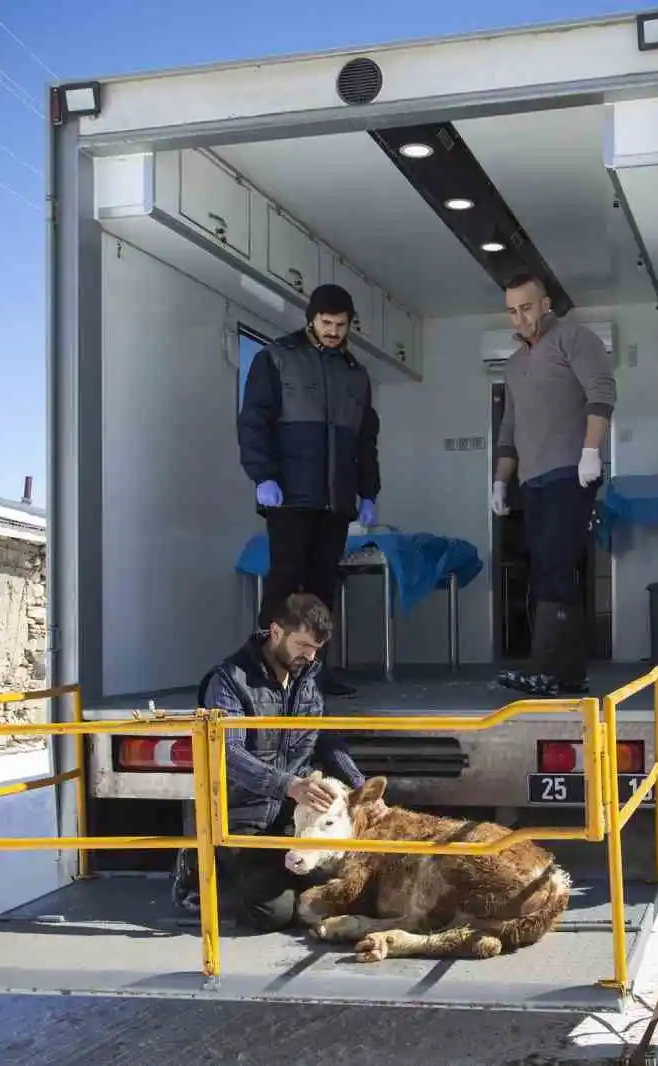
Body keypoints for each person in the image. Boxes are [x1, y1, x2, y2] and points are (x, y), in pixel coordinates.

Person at [169, 592, 366, 930]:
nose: (311, 655)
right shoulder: (229, 681)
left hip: (295, 814)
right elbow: (226, 753)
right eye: (303, 645)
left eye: (317, 648)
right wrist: (287, 785)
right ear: (276, 632)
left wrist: (362, 792)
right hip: (242, 814)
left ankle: (268, 874)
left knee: (334, 891)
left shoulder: (309, 675)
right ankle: (200, 863)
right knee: (275, 914)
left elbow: (323, 737)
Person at [237, 283, 380, 698]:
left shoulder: (355, 374)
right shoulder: (276, 359)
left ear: (350, 325)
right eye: (326, 323)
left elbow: (365, 439)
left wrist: (368, 492)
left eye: (341, 325)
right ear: (311, 320)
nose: (333, 331)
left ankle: (313, 674)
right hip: (290, 497)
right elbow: (254, 422)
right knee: (284, 583)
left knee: (321, 589)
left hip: (336, 500)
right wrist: (262, 475)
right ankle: (265, 673)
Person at [490, 273, 617, 697]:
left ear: (545, 304)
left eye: (526, 306)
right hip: (534, 479)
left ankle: (548, 668)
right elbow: (509, 427)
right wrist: (500, 481)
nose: (520, 316)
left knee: (557, 566)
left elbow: (602, 391)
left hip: (571, 472)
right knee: (543, 568)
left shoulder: (574, 339)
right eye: (512, 309)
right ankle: (565, 673)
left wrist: (591, 452)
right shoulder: (513, 364)